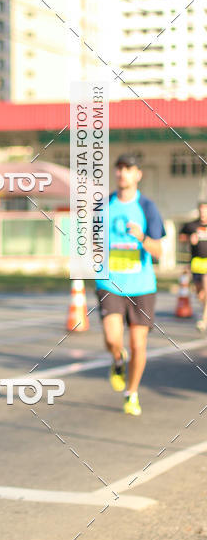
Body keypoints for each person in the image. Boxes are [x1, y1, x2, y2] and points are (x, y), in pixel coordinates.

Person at [96, 153, 165, 416]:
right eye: (119, 168)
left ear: (138, 174)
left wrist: (142, 237)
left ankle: (131, 393)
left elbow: (158, 251)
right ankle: (117, 359)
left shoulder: (148, 208)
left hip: (142, 286)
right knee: (113, 338)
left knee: (138, 344)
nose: (122, 173)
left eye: (128, 169)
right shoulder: (103, 207)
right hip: (110, 283)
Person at [179, 202, 207, 332]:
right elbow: (181, 237)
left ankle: (203, 320)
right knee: (200, 293)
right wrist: (190, 238)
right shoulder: (192, 225)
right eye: (201, 211)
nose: (203, 213)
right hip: (196, 262)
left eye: (205, 211)